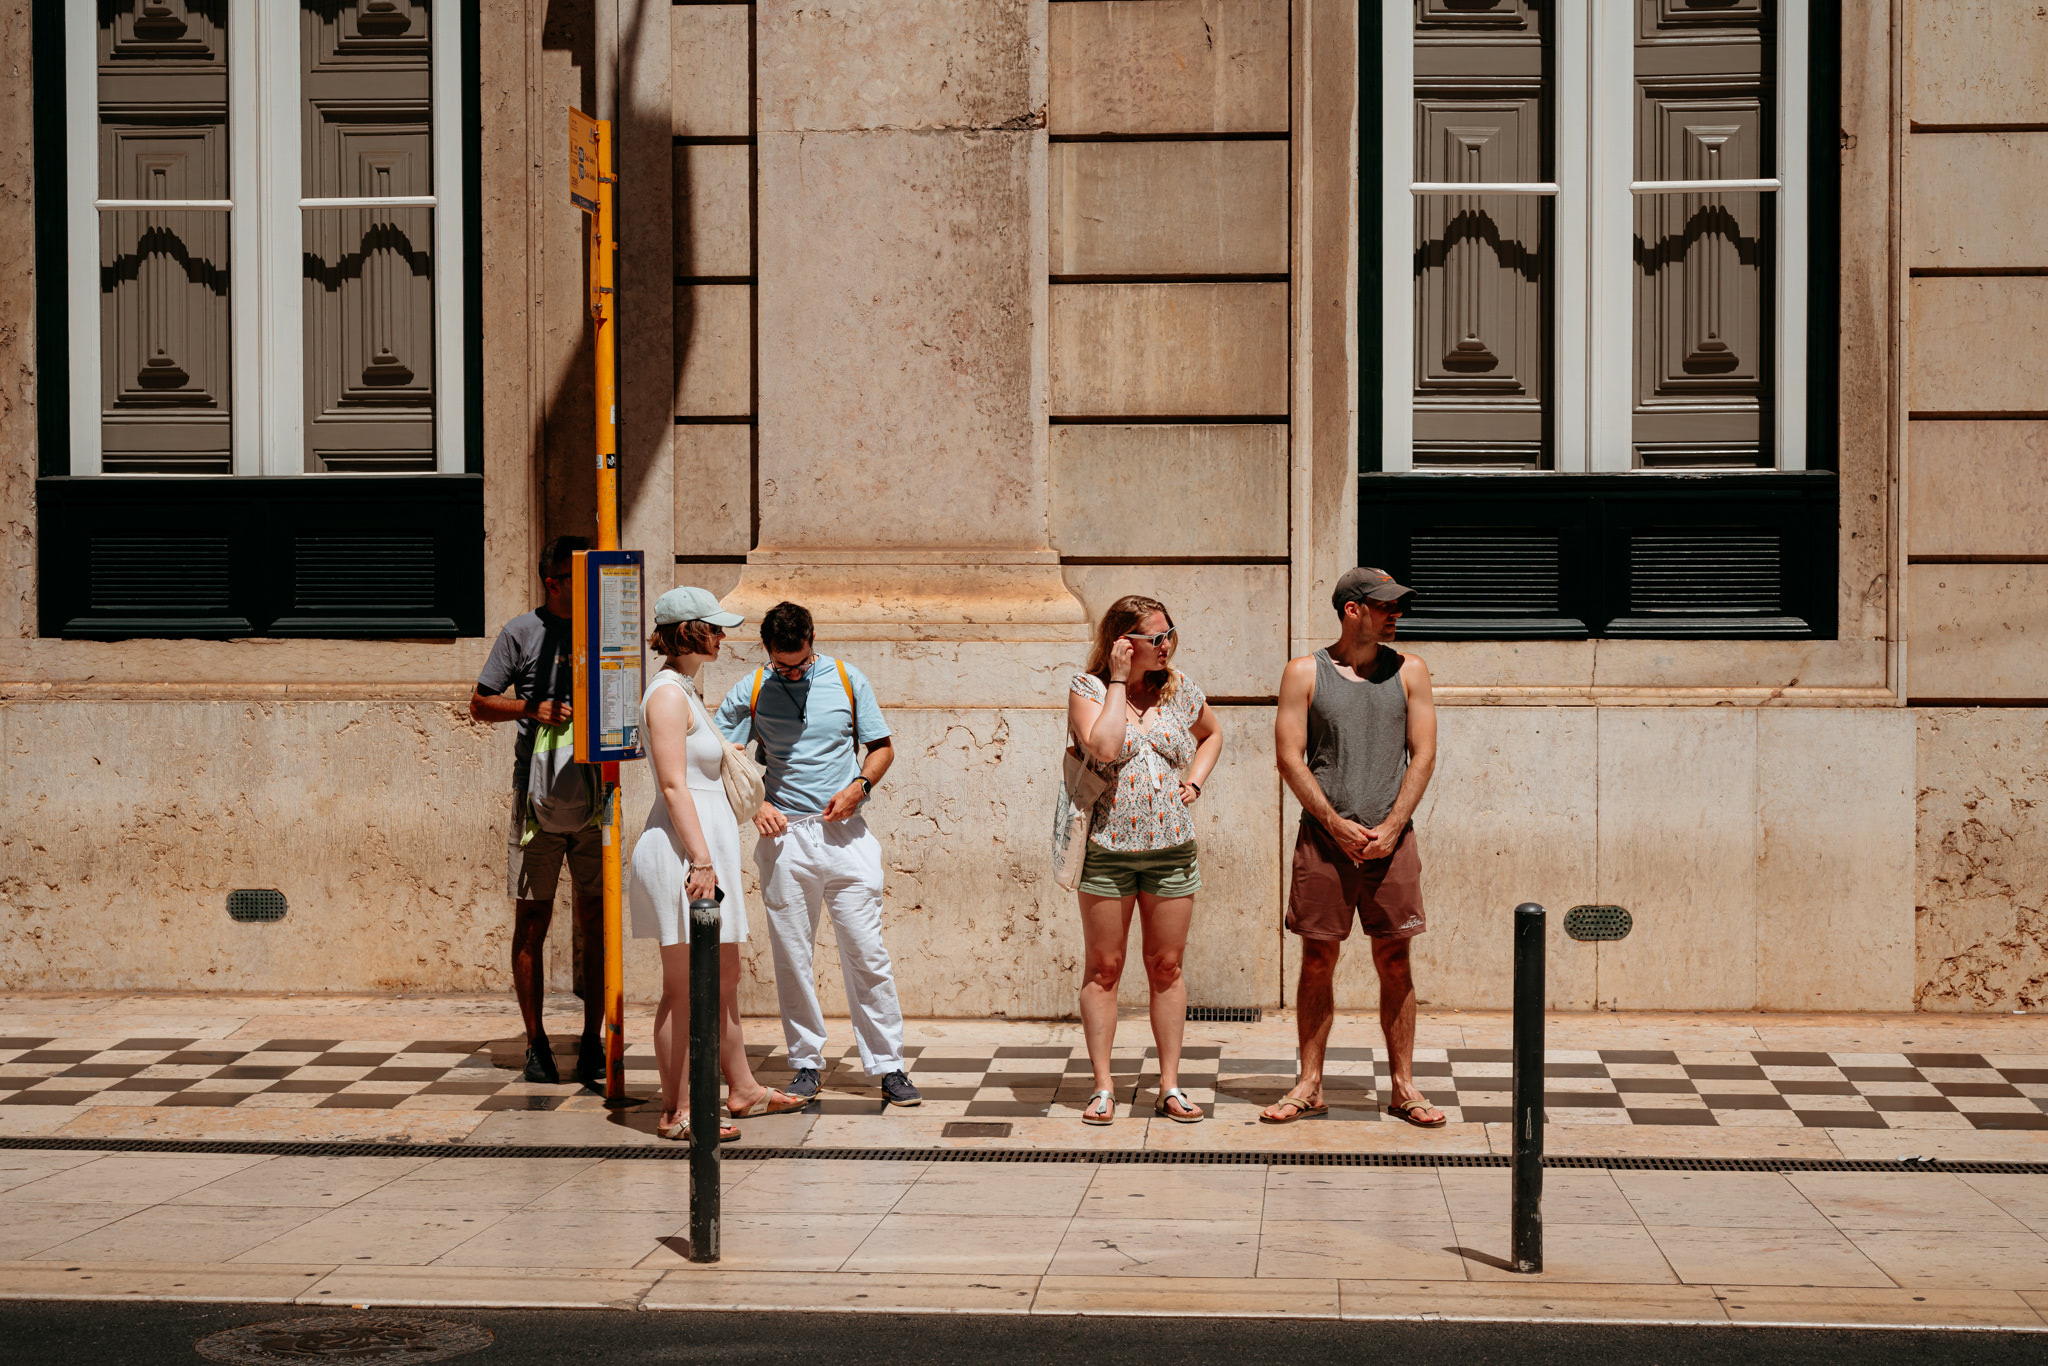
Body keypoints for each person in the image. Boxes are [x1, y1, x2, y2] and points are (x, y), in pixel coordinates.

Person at [713, 601, 922, 1108]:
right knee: (792, 956)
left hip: (846, 835)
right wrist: (756, 802)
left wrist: (860, 785)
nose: (793, 672)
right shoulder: (753, 688)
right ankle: (806, 1061)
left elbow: (882, 747)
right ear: (767, 652)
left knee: (867, 952)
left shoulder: (848, 679)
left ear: (812, 641)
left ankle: (889, 1064)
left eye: (801, 662)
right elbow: (719, 753)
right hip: (786, 837)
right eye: (783, 664)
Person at [1264, 567, 1445, 1127]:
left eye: (1398, 606)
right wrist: (1335, 823)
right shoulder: (1304, 673)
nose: (1396, 614)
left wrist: (1391, 827)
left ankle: (1404, 1087)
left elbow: (1423, 754)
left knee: (1395, 958)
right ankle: (1309, 1084)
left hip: (1392, 842)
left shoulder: (1410, 671)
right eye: (1385, 605)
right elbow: (1289, 757)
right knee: (1318, 957)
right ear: (1352, 610)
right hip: (1324, 842)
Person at [630, 587, 807, 1142]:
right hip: (685, 853)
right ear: (687, 631)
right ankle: (675, 1111)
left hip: (706, 851)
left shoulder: (684, 689)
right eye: (714, 628)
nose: (723, 637)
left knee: (725, 976)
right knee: (683, 986)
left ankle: (744, 1089)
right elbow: (673, 785)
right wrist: (701, 860)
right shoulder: (665, 695)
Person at [1066, 595, 1223, 1126]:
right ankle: (1104, 1087)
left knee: (1166, 967)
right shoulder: (1087, 690)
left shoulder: (1180, 690)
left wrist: (1195, 781)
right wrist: (1116, 681)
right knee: (1105, 969)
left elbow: (1213, 734)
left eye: (1169, 634)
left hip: (1172, 852)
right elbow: (1105, 749)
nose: (1167, 645)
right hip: (1107, 853)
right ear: (1121, 642)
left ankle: (1170, 1085)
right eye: (1155, 638)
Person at [470, 535, 604, 1085]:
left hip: (599, 801)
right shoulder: (521, 633)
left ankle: (595, 1039)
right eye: (581, 578)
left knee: (599, 923)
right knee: (532, 920)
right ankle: (537, 1042)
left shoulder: (606, 628)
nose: (593, 587)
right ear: (554, 582)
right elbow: (479, 703)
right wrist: (533, 707)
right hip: (536, 802)